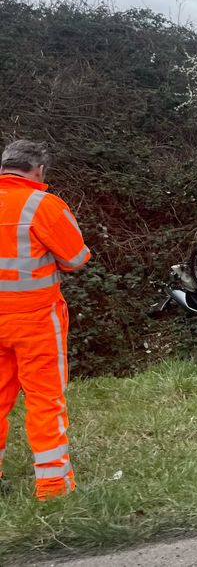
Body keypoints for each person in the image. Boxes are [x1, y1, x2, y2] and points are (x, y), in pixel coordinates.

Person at [0, 140, 90, 500]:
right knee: (44, 400)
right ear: (38, 170)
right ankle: (53, 487)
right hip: (35, 320)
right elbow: (76, 258)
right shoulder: (43, 206)